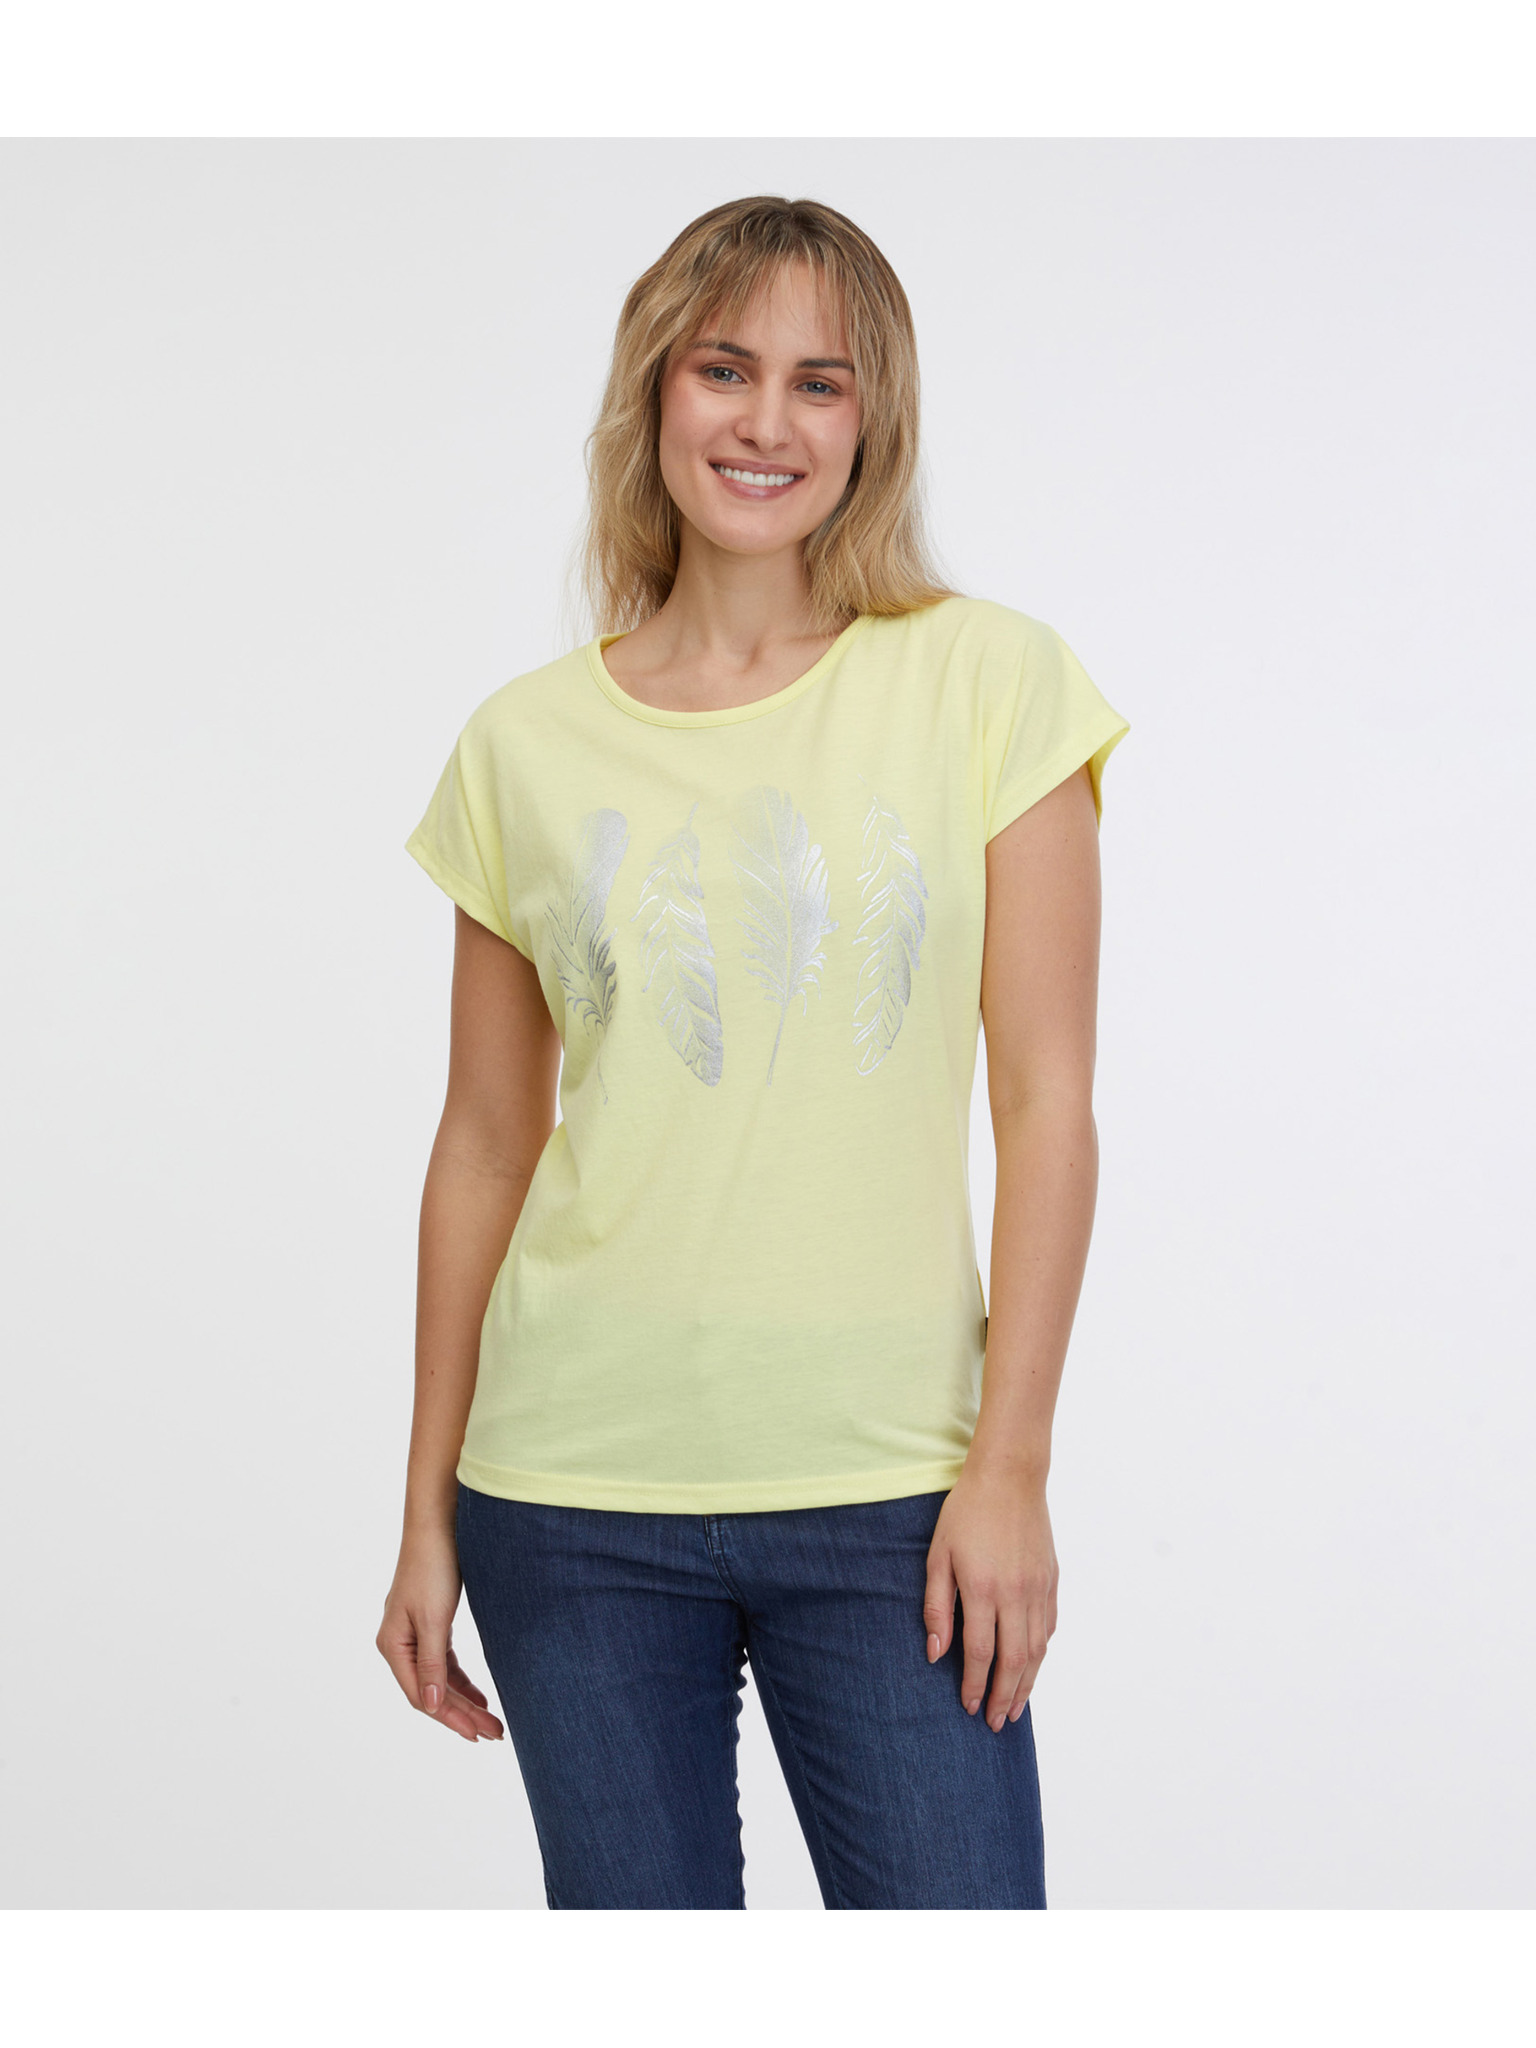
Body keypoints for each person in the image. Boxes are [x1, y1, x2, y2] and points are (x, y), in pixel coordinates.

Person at [376, 194, 1129, 1910]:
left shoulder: (991, 685)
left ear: (872, 422)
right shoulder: (521, 745)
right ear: (657, 389)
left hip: (894, 1495)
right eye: (725, 370)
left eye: (819, 382)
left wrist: (1011, 1467)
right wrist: (425, 1512)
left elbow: (1048, 1105)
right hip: (567, 1499)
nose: (766, 422)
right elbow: (483, 1143)